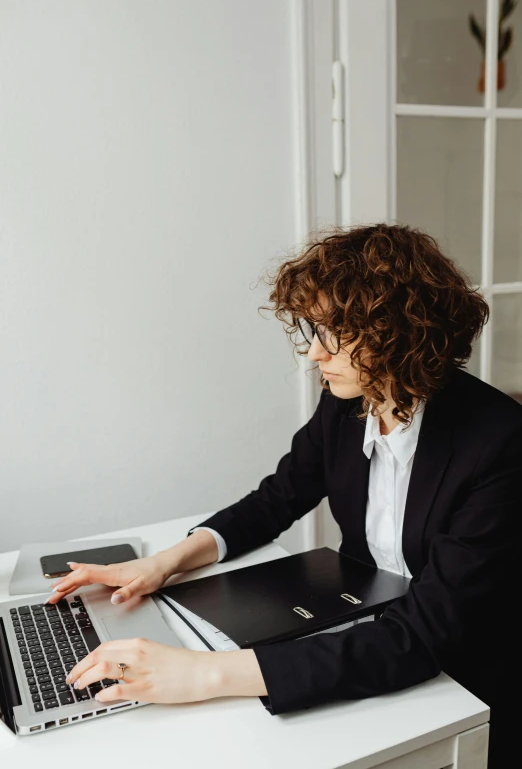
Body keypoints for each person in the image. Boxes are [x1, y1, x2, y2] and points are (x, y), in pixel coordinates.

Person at [47, 224, 521, 768]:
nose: (315, 354)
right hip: (371, 628)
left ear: (400, 331)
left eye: (333, 332)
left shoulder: (500, 442)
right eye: (312, 329)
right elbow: (278, 496)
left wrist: (200, 675)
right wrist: (161, 564)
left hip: (464, 668)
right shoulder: (348, 402)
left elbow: (426, 633)